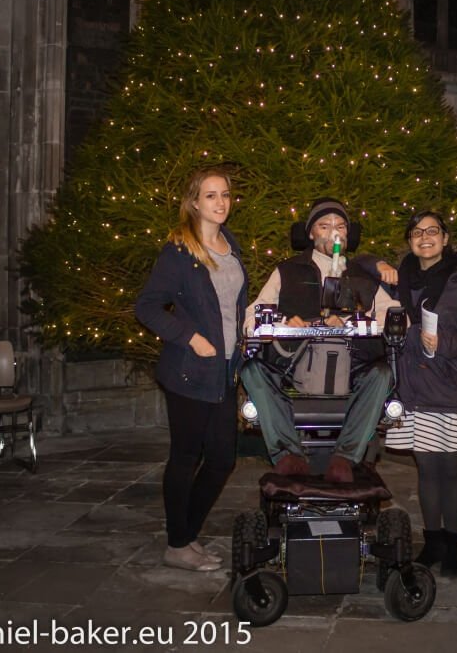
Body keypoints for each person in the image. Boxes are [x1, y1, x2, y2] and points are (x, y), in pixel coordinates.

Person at [135, 167, 247, 572]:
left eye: (226, 195)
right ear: (194, 202)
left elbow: (229, 307)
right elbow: (146, 306)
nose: (220, 203)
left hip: (223, 372)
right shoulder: (179, 251)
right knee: (185, 457)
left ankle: (187, 534)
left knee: (221, 460)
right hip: (189, 372)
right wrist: (190, 337)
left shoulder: (229, 243)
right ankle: (178, 544)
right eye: (211, 195)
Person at [241, 198, 397, 483]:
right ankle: (288, 454)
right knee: (252, 370)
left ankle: (345, 457)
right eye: (324, 226)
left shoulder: (362, 276)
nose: (334, 233)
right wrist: (283, 321)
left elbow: (397, 315)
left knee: (382, 374)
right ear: (311, 233)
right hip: (294, 366)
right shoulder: (287, 271)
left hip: (352, 366)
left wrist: (353, 321)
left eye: (340, 227)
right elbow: (253, 315)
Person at [383, 211, 457, 577]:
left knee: (450, 467)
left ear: (445, 238)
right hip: (413, 385)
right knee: (426, 467)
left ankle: (452, 544)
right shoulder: (399, 281)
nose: (424, 237)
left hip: (449, 383)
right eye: (417, 232)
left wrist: (445, 342)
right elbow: (358, 269)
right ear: (410, 240)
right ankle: (432, 542)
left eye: (433, 231)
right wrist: (376, 263)